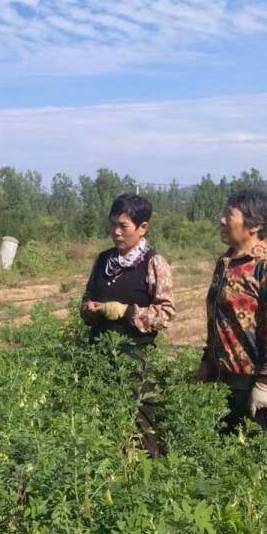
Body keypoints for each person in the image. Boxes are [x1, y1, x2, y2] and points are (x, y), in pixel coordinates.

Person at [80, 193, 176, 456]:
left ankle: (148, 470)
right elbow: (87, 297)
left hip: (135, 360)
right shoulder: (103, 261)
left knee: (140, 422)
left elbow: (166, 313)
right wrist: (90, 310)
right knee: (100, 422)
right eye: (113, 225)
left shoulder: (154, 263)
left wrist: (127, 312)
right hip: (99, 355)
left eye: (123, 226)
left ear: (142, 227)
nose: (116, 232)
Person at [197, 187, 267, 435]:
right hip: (221, 379)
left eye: (229, 215)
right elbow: (218, 320)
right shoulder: (225, 262)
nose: (222, 220)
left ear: (255, 225)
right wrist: (208, 360)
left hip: (251, 383)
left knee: (256, 450)